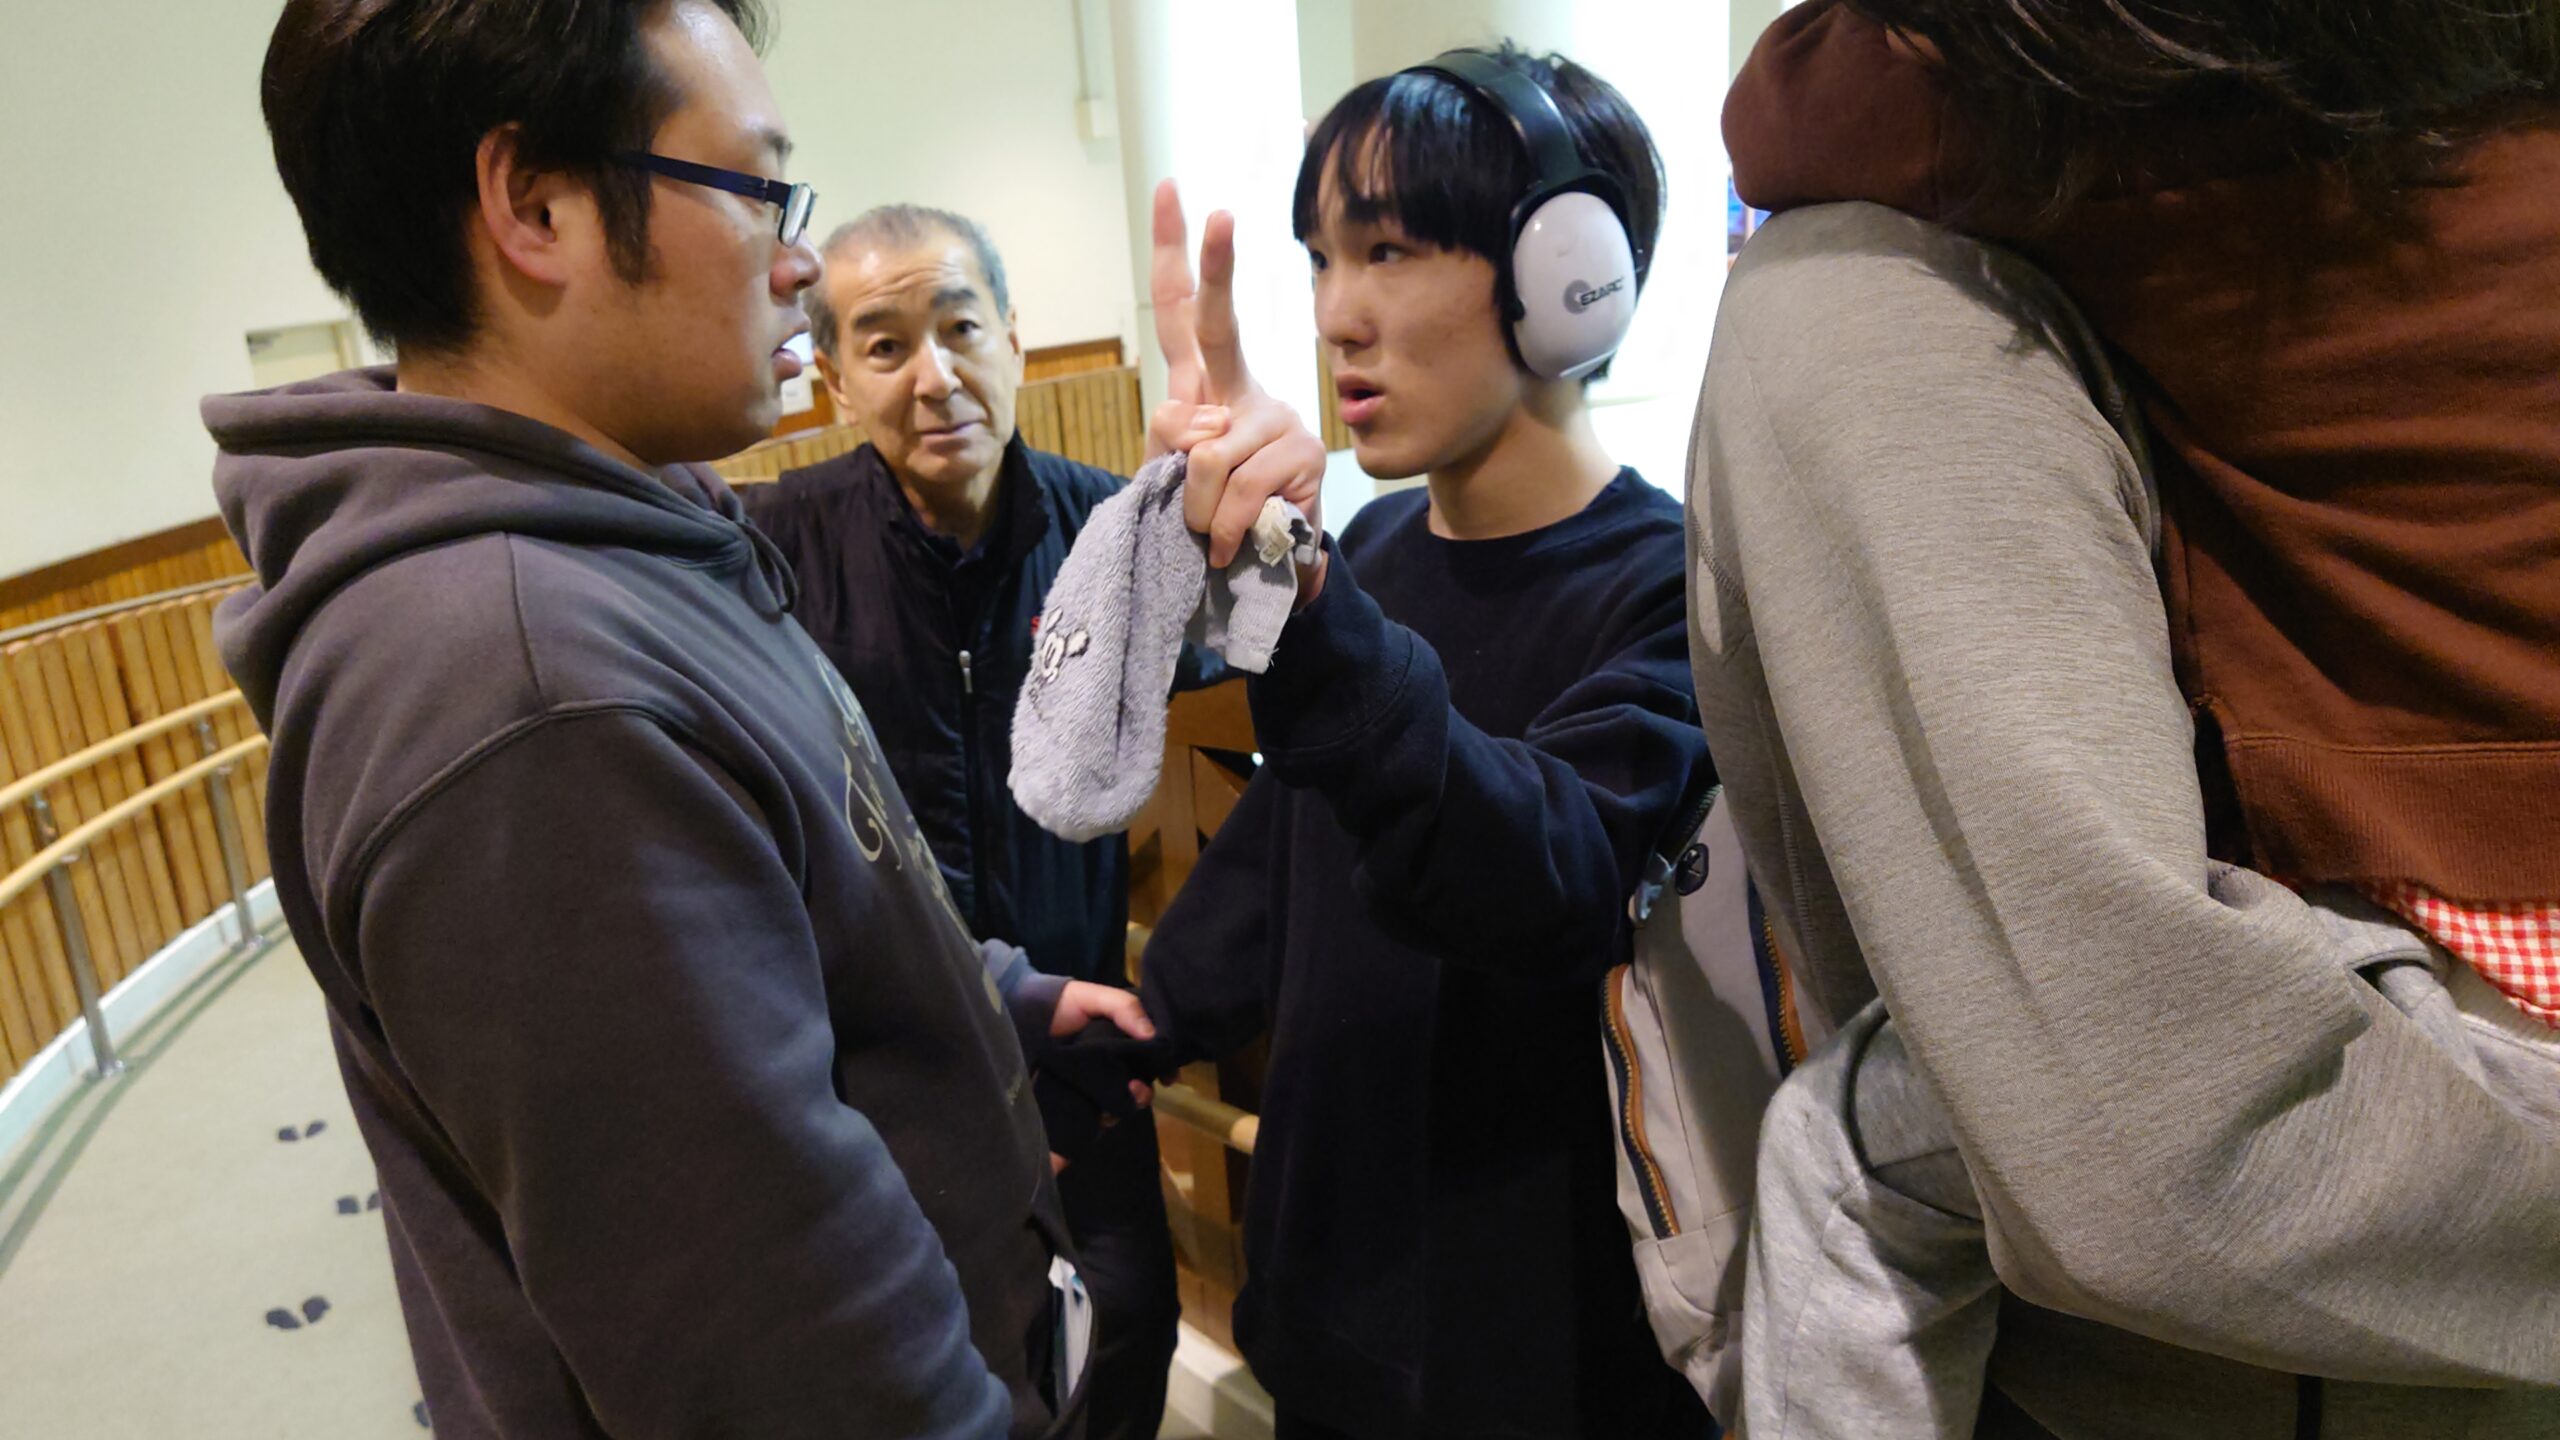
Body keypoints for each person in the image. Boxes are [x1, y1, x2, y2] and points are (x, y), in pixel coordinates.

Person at [208, 2, 1195, 1434]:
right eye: (753, 189)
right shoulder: (533, 690)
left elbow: (778, 911)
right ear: (535, 207)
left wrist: (988, 999)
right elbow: (798, 1367)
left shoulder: (636, 548)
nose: (795, 258)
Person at [1693, 2, 2560, 1435]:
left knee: (1848, 1158)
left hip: (2462, 972)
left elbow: (1790, 107)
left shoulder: (2084, 129)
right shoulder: (2481, 117)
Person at [1134, 46, 1717, 1440]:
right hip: (1330, 1313)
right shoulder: (1379, 549)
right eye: (1322, 261)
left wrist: (1308, 605)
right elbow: (1290, 849)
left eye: (1388, 251)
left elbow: (1545, 866)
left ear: (1568, 275)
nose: (1337, 314)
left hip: (1541, 1356)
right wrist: (1139, 1027)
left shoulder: (1675, 591)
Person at [740, 205, 1203, 1440]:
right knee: (926, 1380)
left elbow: (1270, 665)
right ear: (835, 382)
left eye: (960, 329)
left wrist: (1243, 522)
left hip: (1081, 1051)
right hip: (883, 1084)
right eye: (886, 346)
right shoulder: (772, 554)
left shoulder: (1112, 536)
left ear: (1013, 338)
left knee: (1128, 1338)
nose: (935, 377)